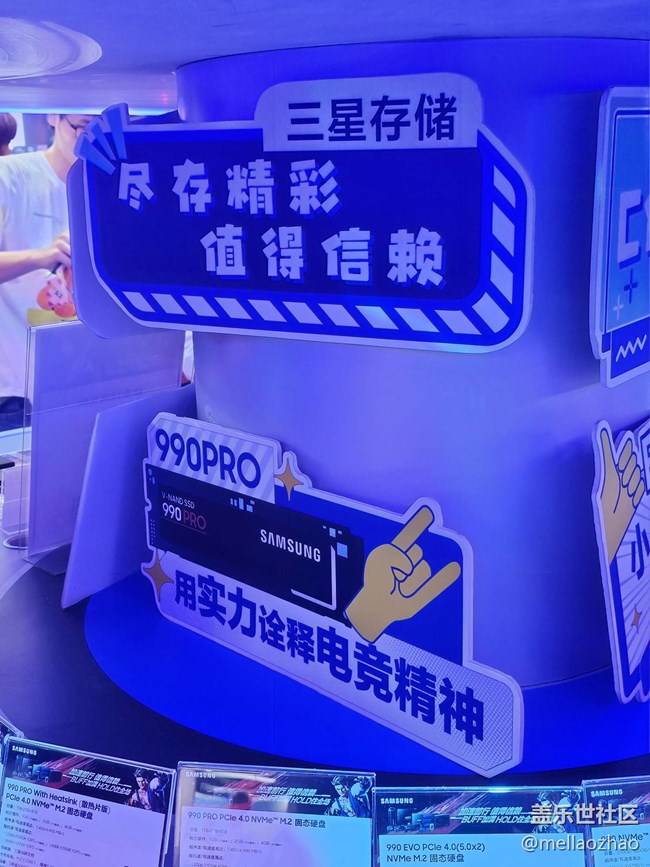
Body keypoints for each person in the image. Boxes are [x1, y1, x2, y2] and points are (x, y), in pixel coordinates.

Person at [0, 113, 93, 431]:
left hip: (87, 380)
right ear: (54, 117)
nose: (89, 140)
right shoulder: (10, 175)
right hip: (16, 389)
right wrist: (43, 256)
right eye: (82, 126)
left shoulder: (109, 185)